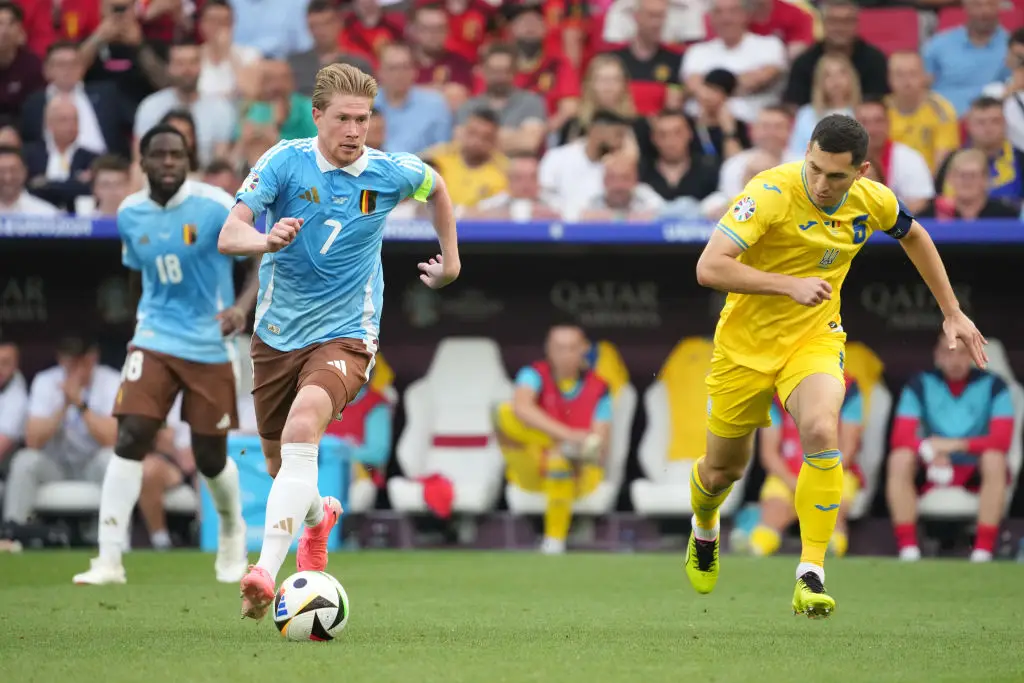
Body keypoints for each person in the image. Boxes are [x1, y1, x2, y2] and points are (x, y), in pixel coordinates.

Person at [690, 114, 988, 618]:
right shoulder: (769, 192)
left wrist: (952, 311)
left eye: (836, 176)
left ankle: (810, 573)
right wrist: (789, 284)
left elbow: (914, 235)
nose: (822, 185)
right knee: (723, 470)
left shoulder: (872, 200)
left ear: (861, 171)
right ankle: (704, 527)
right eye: (815, 169)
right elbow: (709, 267)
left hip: (814, 338)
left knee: (822, 428)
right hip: (744, 348)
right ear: (805, 153)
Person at [217, 63, 460, 620]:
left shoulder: (390, 172)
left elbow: (438, 186)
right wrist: (264, 237)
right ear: (318, 116)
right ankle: (318, 518)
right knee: (285, 472)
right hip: (276, 338)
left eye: (365, 119)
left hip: (348, 333)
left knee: (306, 424)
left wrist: (452, 259)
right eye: (344, 118)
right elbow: (230, 232)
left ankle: (264, 572)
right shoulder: (283, 160)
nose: (355, 130)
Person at [72, 124, 259, 586]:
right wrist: (142, 323)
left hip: (209, 342)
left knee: (209, 456)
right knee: (131, 433)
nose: (169, 163)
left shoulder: (215, 206)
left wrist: (240, 308)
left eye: (177, 155)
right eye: (160, 155)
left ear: (188, 159)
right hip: (155, 336)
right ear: (144, 161)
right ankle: (108, 559)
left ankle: (233, 533)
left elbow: (260, 256)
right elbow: (137, 274)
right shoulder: (130, 213)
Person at [494, 323, 612, 555]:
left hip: (579, 472)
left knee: (560, 460)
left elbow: (598, 447)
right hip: (533, 466)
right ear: (548, 349)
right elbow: (520, 408)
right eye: (559, 348)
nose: (565, 354)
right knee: (504, 413)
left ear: (584, 349)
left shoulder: (599, 388)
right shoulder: (533, 374)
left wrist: (575, 451)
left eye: (572, 348)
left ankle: (554, 540)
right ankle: (559, 448)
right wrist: (566, 437)